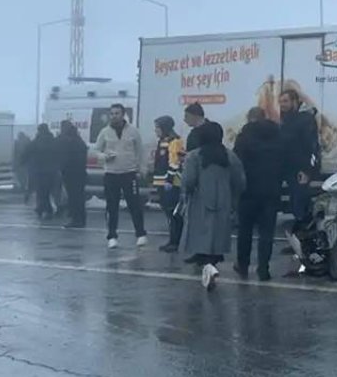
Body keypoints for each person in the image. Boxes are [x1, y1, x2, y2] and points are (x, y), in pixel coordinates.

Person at [179, 121, 245, 290]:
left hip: (200, 200)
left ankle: (208, 268)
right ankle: (212, 264)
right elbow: (240, 182)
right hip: (224, 201)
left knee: (201, 235)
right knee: (217, 237)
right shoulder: (230, 156)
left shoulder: (194, 156)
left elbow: (188, 180)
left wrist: (186, 193)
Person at [233, 107, 284, 281]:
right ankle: (263, 268)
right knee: (266, 233)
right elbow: (285, 161)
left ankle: (243, 264)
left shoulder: (244, 137)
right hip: (271, 190)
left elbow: (236, 162)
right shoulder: (277, 135)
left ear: (250, 118)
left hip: (248, 190)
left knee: (245, 230)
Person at [91, 103, 149, 249]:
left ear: (123, 115)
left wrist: (142, 168)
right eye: (111, 114)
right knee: (111, 206)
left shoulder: (133, 131)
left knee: (134, 205)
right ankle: (112, 236)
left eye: (117, 113)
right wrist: (104, 156)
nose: (114, 116)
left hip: (129, 173)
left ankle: (141, 234)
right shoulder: (104, 132)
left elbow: (141, 150)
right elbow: (95, 150)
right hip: (111, 173)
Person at [279, 88, 320, 227]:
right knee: (295, 204)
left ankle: (302, 239)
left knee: (300, 205)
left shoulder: (305, 120)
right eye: (280, 102)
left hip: (300, 171)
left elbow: (312, 147)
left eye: (285, 101)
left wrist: (307, 171)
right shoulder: (286, 119)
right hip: (288, 169)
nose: (282, 105)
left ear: (295, 102)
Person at [152, 116, 185, 253]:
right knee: (169, 214)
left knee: (174, 214)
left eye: (157, 128)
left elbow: (175, 162)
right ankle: (173, 241)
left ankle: (175, 242)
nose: (155, 131)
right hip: (162, 182)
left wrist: (169, 181)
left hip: (171, 183)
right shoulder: (164, 140)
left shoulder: (174, 141)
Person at [57, 120, 88, 229]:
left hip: (72, 173)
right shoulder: (77, 139)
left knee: (75, 197)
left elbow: (66, 157)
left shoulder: (70, 141)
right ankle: (79, 218)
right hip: (78, 173)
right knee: (78, 197)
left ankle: (77, 219)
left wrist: (62, 168)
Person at [26, 125, 61, 220]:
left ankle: (44, 209)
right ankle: (44, 208)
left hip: (41, 171)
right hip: (53, 171)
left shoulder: (37, 141)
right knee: (49, 191)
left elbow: (27, 151)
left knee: (41, 191)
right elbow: (60, 154)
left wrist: (23, 162)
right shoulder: (53, 140)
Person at [12, 131, 31, 200]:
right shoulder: (28, 141)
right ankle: (25, 188)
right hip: (26, 164)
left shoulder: (17, 143)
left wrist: (14, 164)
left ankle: (24, 188)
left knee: (21, 176)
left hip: (20, 163)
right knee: (25, 177)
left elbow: (15, 154)